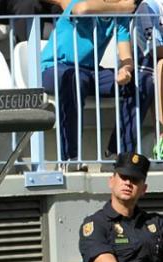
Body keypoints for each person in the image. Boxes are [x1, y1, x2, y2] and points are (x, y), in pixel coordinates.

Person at [40, 0, 153, 170]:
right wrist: (121, 8)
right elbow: (81, 9)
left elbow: (125, 55)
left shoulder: (119, 16)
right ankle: (69, 158)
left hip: (90, 71)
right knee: (75, 78)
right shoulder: (85, 2)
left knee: (143, 82)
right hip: (55, 68)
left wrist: (126, 70)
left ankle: (118, 153)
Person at [136, 0, 163, 159]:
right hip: (143, 71)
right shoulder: (148, 6)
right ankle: (161, 137)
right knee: (162, 66)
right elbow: (156, 50)